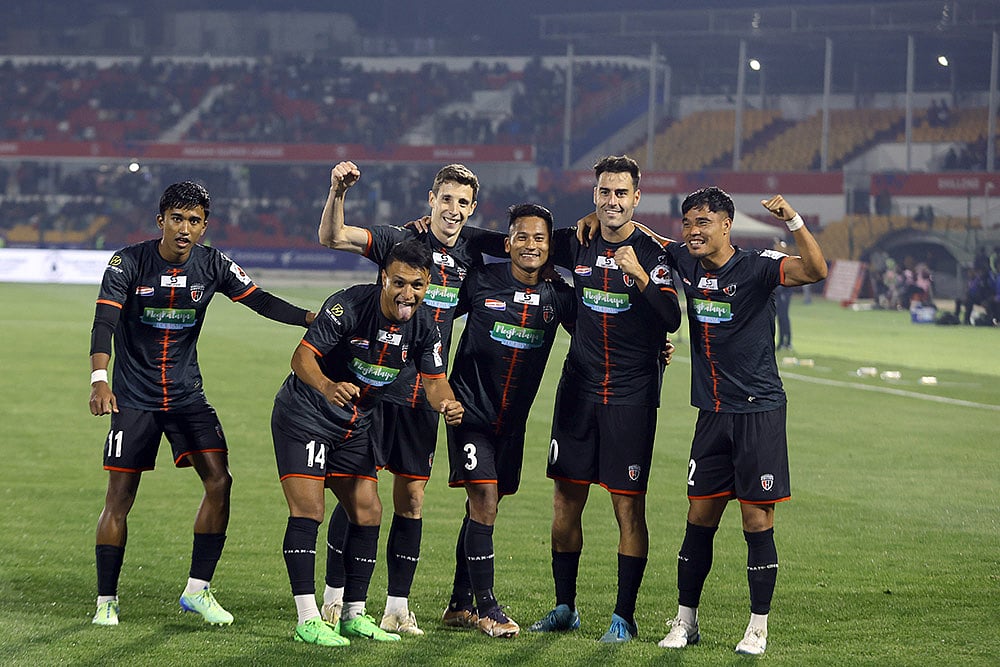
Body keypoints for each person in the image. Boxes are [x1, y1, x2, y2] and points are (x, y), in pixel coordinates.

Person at [88, 181, 316, 627]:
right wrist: (100, 380)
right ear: (161, 221)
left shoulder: (213, 264)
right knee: (119, 498)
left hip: (187, 395)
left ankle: (198, 590)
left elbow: (261, 301)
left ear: (204, 226)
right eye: (177, 219)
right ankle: (106, 600)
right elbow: (105, 321)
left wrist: (311, 317)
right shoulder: (127, 261)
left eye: (194, 221)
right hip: (134, 398)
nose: (184, 229)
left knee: (220, 480)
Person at [317, 161, 506, 635]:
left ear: (472, 208)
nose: (454, 210)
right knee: (356, 493)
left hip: (425, 393)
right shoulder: (402, 241)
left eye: (463, 202)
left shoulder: (474, 247)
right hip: (375, 389)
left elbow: (535, 247)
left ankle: (397, 607)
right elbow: (334, 236)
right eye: (446, 199)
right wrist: (337, 190)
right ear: (430, 199)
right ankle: (335, 597)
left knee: (413, 498)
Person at [648, 187, 828, 656]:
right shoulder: (684, 261)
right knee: (698, 517)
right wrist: (595, 214)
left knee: (755, 519)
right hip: (711, 413)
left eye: (703, 222)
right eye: (688, 223)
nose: (693, 231)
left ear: (726, 225)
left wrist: (793, 219)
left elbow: (815, 270)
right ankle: (686, 622)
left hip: (758, 412)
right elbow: (637, 235)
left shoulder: (758, 266)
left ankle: (757, 627)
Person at [271, 239, 464, 648]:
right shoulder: (347, 307)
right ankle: (308, 619)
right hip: (307, 415)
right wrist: (327, 385)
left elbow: (434, 381)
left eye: (417, 285)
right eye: (398, 283)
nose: (407, 294)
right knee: (309, 510)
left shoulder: (424, 325)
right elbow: (301, 358)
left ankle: (354, 614)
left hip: (355, 424)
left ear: (428, 283)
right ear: (383, 278)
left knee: (368, 510)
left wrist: (446, 403)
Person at [530, 155, 682, 643]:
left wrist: (636, 272)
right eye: (604, 193)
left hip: (631, 395)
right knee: (564, 503)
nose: (612, 201)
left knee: (627, 507)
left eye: (622, 193)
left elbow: (670, 317)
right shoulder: (578, 240)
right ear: (594, 195)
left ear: (637, 198)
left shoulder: (654, 252)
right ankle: (564, 607)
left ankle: (624, 616)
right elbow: (518, 245)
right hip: (578, 389)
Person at [443, 203, 577, 638]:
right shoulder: (480, 281)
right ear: (508, 243)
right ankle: (487, 609)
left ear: (549, 246)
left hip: (512, 424)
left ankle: (458, 604)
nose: (530, 245)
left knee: (484, 507)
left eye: (539, 238)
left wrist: (655, 349)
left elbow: (600, 335)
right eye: (521, 236)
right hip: (469, 412)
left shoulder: (558, 296)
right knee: (483, 501)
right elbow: (437, 317)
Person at [773, 239, 793, 350]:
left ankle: (788, 342)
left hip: (785, 292)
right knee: (779, 319)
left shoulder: (786, 260)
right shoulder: (775, 259)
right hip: (777, 293)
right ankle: (781, 342)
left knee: (784, 317)